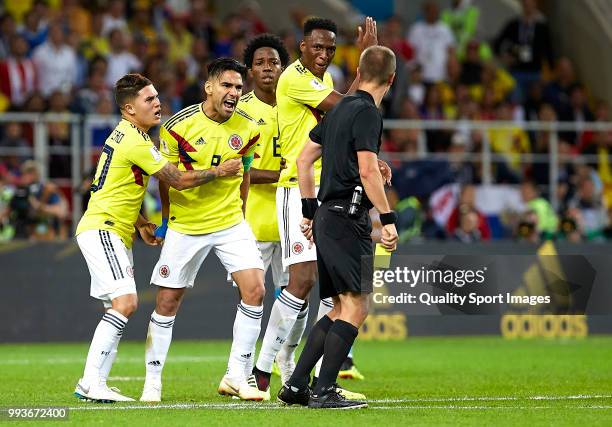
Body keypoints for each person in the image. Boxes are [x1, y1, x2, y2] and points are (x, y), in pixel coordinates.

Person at [74, 73, 243, 402]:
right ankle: (89, 381)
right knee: (127, 303)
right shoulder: (135, 141)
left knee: (117, 305)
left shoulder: (127, 136)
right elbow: (177, 179)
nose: (157, 103)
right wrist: (219, 171)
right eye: (148, 100)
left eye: (156, 97)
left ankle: (98, 382)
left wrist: (139, 222)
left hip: (114, 229)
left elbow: (108, 187)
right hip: (103, 228)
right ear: (128, 108)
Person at [251, 16, 382, 398]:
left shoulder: (319, 80)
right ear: (302, 47)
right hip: (296, 189)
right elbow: (349, 110)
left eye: (330, 48)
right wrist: (366, 63)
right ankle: (264, 366)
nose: (324, 54)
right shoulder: (294, 78)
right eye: (317, 47)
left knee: (332, 293)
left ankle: (303, 376)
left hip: (321, 189)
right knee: (303, 281)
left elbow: (340, 122)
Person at [278, 45, 398, 409]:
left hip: (330, 215)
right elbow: (363, 171)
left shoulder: (341, 107)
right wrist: (388, 218)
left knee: (337, 308)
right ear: (391, 79)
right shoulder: (367, 113)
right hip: (349, 217)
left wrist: (310, 210)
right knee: (356, 306)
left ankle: (297, 385)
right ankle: (324, 390)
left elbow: (303, 159)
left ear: (360, 72)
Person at [141, 58, 266, 402]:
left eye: (239, 87)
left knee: (255, 290)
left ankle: (237, 376)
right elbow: (168, 181)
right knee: (167, 301)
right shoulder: (176, 126)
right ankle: (152, 382)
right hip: (187, 225)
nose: (234, 93)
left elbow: (245, 175)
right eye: (227, 85)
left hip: (230, 223)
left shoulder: (250, 128)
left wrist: (242, 214)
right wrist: (166, 222)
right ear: (209, 87)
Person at [236, 34, 300, 387]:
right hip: (255, 221)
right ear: (249, 71)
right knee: (251, 298)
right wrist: (283, 174)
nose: (267, 69)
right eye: (260, 63)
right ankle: (243, 371)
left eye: (273, 63)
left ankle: (283, 363)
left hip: (292, 218)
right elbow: (240, 167)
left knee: (295, 297)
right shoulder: (241, 110)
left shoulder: (295, 102)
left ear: (283, 67)